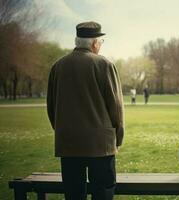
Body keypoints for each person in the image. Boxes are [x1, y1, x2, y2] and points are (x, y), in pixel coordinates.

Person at [47, 21, 124, 200]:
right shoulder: (104, 64)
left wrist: (62, 131)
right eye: (101, 42)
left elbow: (51, 106)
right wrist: (117, 138)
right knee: (103, 192)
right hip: (100, 144)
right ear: (95, 43)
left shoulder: (58, 66)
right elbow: (116, 107)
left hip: (69, 142)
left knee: (73, 194)